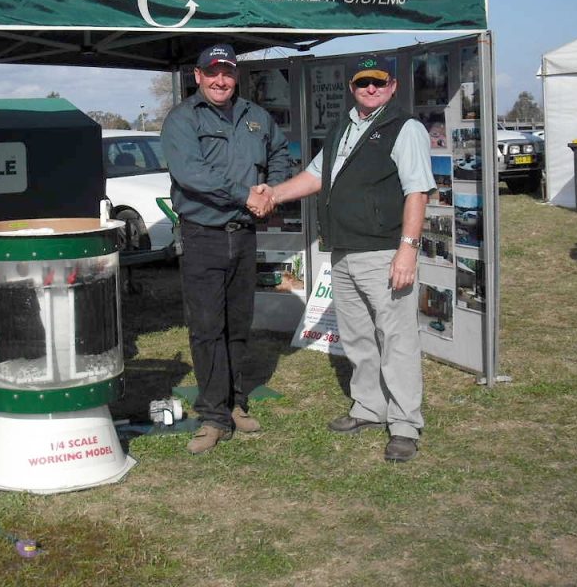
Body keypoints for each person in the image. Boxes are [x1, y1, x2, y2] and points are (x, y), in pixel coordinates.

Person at [260, 54, 434, 462]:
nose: (370, 89)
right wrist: (273, 194)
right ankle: (369, 407)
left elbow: (417, 192)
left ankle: (406, 423)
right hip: (343, 251)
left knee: (397, 340)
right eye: (362, 83)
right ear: (352, 88)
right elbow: (315, 177)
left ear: (392, 86)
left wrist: (407, 249)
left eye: (378, 83)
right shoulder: (342, 128)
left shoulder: (404, 128)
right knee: (357, 337)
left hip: (385, 251)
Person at [161, 43, 288, 454]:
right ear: (197, 76)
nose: (220, 80)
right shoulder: (182, 119)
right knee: (206, 328)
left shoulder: (256, 117)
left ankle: (235, 402)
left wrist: (273, 190)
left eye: (228, 73)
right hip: (203, 235)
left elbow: (280, 153)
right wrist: (245, 194)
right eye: (212, 72)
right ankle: (213, 414)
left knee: (238, 324)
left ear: (236, 76)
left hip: (244, 234)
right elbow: (192, 174)